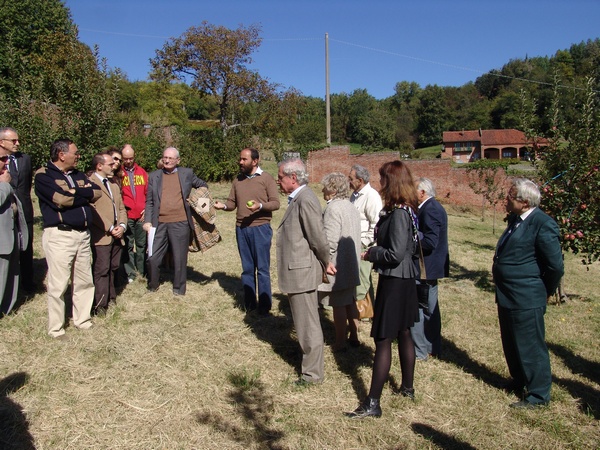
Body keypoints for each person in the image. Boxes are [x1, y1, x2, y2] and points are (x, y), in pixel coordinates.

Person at [347, 160, 419, 419]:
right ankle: (407, 388)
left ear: (393, 182)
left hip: (396, 281)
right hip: (404, 280)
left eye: (383, 179)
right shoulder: (406, 209)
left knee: (384, 338)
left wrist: (373, 252)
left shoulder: (399, 213)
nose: (380, 184)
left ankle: (373, 403)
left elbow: (396, 253)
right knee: (404, 332)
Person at [492, 178, 563, 409]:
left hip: (527, 296)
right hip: (508, 294)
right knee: (511, 341)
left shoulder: (542, 224)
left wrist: (545, 291)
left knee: (530, 345)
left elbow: (555, 266)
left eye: (510, 196)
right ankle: (519, 380)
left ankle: (539, 395)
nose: (506, 199)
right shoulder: (516, 220)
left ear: (524, 202)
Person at [276, 158, 335, 385]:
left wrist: (326, 260)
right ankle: (309, 365)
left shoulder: (305, 199)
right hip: (298, 270)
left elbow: (318, 237)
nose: (279, 181)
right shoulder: (299, 198)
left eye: (281, 177)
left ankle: (312, 375)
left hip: (301, 272)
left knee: (308, 324)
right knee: (304, 322)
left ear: (293, 178)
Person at [34, 139, 101, 338]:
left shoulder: (78, 175)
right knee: (59, 284)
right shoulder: (43, 175)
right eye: (75, 152)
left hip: (82, 235)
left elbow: (97, 192)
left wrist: (76, 191)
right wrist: (82, 195)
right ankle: (56, 328)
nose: (78, 156)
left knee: (84, 280)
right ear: (61, 155)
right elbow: (61, 199)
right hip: (60, 236)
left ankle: (82, 320)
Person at [214, 148, 280, 315]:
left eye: (244, 159)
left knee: (263, 269)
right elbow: (231, 203)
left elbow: (275, 203)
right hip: (241, 228)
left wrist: (260, 206)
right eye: (240, 159)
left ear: (255, 161)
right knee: (247, 269)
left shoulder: (266, 179)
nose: (240, 162)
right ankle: (250, 304)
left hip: (260, 228)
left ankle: (264, 307)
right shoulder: (238, 180)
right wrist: (222, 206)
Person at [143, 147, 207, 296]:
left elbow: (203, 186)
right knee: (153, 258)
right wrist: (147, 220)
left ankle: (179, 289)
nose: (167, 160)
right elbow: (150, 201)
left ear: (178, 160)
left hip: (180, 222)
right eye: (165, 157)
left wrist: (196, 201)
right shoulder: (154, 176)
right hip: (159, 223)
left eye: (171, 158)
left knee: (179, 258)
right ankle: (153, 285)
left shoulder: (187, 173)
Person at [317, 172, 361, 352]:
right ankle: (355, 336)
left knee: (339, 304)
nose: (322, 189)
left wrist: (325, 260)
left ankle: (340, 342)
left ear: (333, 189)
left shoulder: (333, 208)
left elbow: (331, 240)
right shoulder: (350, 206)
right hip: (351, 262)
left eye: (325, 186)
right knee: (350, 300)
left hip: (338, 264)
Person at [410, 178, 449, 360]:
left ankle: (422, 349)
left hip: (426, 267)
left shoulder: (430, 209)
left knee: (421, 307)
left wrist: (411, 239)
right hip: (429, 267)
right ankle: (432, 346)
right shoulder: (432, 207)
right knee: (429, 307)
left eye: (414, 190)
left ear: (422, 192)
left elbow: (430, 242)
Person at [89, 153, 127, 315]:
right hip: (102, 235)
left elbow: (121, 208)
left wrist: (122, 226)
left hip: (117, 235)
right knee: (101, 270)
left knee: (113, 267)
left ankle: (111, 297)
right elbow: (93, 210)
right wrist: (110, 228)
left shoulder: (114, 185)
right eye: (110, 164)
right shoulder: (90, 184)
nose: (114, 166)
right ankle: (99, 304)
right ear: (99, 166)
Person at [0, 127, 35, 294]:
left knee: (26, 248)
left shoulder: (25, 159)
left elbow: (26, 185)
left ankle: (28, 284)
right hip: (5, 211)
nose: (17, 143)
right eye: (13, 141)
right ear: (2, 142)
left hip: (24, 210)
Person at [348, 164, 382, 306]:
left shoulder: (371, 196)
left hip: (363, 247)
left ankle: (361, 314)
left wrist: (364, 243)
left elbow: (376, 224)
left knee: (362, 281)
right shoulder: (354, 196)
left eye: (350, 178)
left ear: (360, 180)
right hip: (354, 244)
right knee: (359, 280)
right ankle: (368, 311)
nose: (348, 181)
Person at [0, 154, 29, 315]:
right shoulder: (4, 182)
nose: (6, 163)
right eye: (2, 159)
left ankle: (6, 310)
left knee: (10, 276)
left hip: (11, 237)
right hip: (2, 240)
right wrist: (5, 185)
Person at [121, 144, 148, 282]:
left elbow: (148, 193)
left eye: (130, 158)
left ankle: (142, 270)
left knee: (142, 244)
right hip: (127, 215)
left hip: (142, 215)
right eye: (125, 158)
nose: (128, 161)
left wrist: (146, 210)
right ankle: (130, 273)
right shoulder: (119, 174)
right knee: (128, 245)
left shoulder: (142, 173)